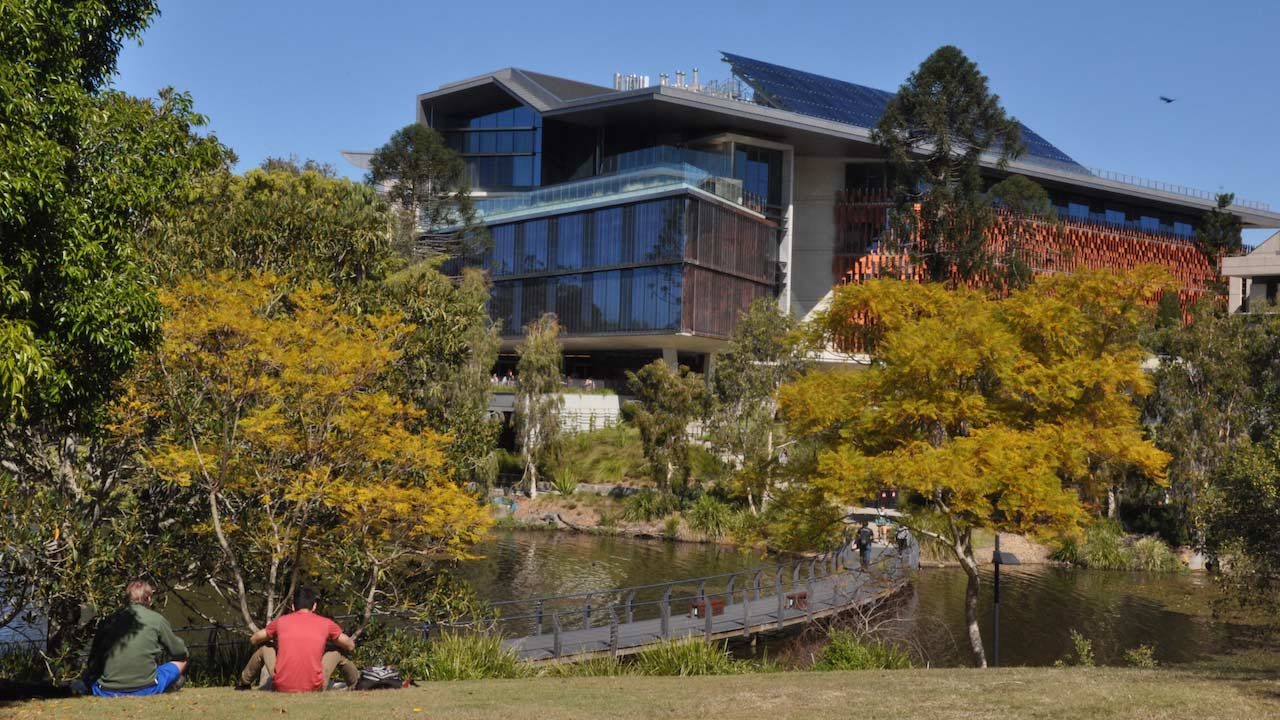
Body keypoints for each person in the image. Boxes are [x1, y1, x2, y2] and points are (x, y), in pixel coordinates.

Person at [238, 587, 359, 692]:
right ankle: (355, 684)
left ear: (293, 606)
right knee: (337, 652)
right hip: (314, 687)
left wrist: (275, 643)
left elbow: (254, 639)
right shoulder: (326, 623)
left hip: (281, 686)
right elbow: (350, 645)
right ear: (314, 606)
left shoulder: (281, 622)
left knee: (264, 648)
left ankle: (244, 683)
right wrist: (328, 642)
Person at [82, 578, 189, 697]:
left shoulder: (108, 620)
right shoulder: (156, 619)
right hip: (147, 688)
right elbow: (179, 652)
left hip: (107, 690)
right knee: (181, 661)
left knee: (86, 678)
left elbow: (93, 661)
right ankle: (168, 684)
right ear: (148, 598)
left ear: (126, 599)